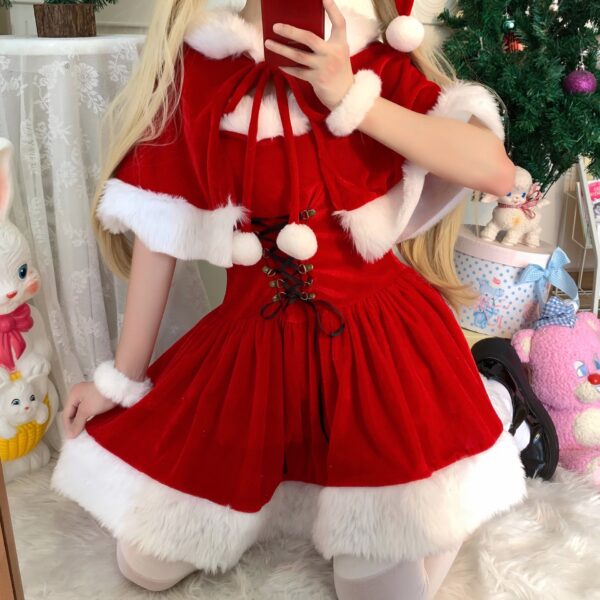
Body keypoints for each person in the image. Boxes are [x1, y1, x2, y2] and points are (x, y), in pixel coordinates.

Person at [51, 0, 530, 598]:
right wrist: (120, 380)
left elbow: (495, 171)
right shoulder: (202, 68)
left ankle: (462, 447)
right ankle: (292, 487)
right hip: (254, 350)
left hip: (377, 350)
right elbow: (160, 227)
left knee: (377, 590)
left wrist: (351, 96)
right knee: (144, 566)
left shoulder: (373, 58)